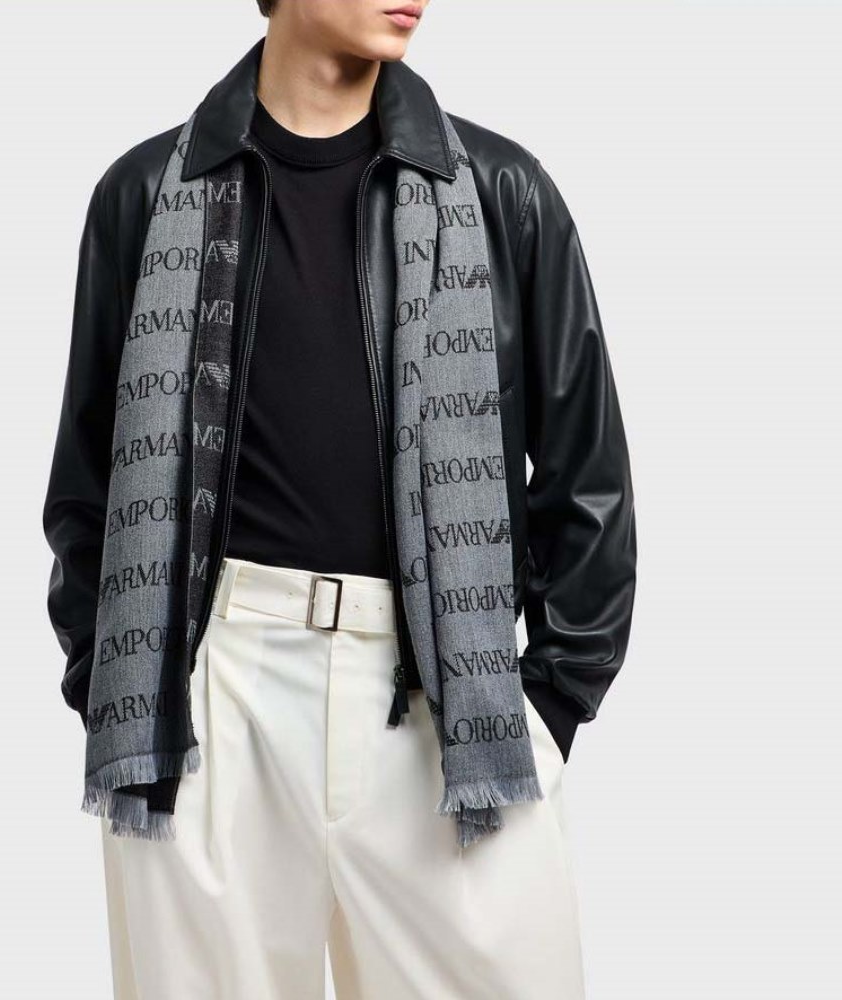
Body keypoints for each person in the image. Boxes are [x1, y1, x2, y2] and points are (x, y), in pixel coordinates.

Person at [42, 2, 636, 997]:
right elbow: (86, 493)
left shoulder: (503, 193)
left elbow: (588, 484)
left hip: (446, 705)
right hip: (210, 705)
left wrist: (543, 707)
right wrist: (115, 684)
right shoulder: (143, 196)